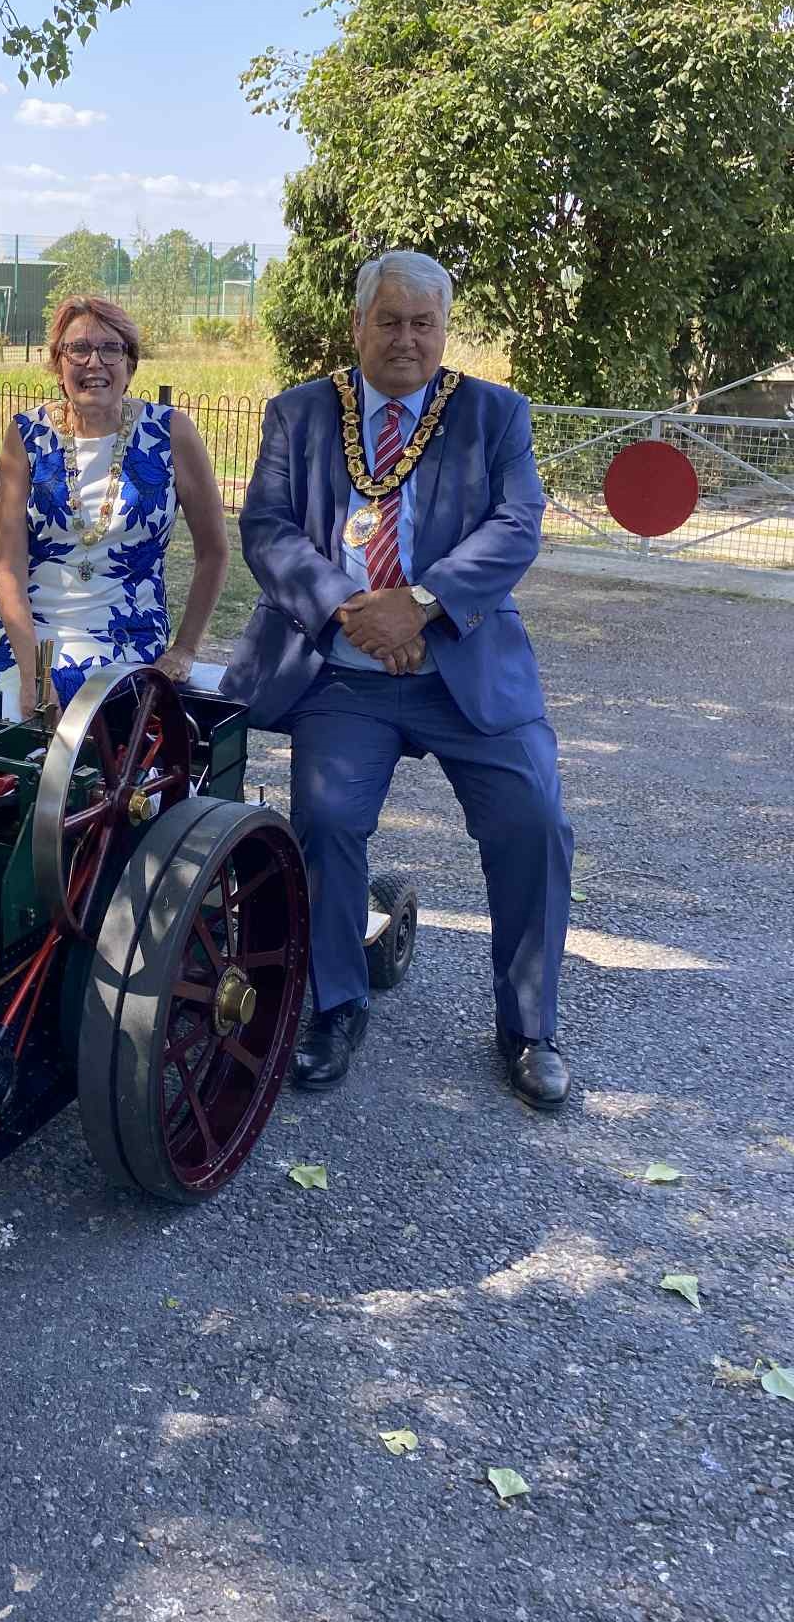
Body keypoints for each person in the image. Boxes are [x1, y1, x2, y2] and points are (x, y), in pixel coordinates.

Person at [221, 250, 573, 1109]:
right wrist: (353, 610)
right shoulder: (300, 413)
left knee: (534, 820)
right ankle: (336, 1006)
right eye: (390, 321)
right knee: (327, 822)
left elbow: (517, 524)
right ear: (357, 324)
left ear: (444, 329)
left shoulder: (495, 414)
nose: (407, 339)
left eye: (424, 323)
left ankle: (528, 1028)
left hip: (463, 667)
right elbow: (266, 527)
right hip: (345, 672)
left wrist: (417, 606)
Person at [0, 295, 229, 721]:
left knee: (67, 730)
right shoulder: (27, 435)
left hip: (122, 630)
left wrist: (185, 648)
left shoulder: (170, 433)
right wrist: (34, 675)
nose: (94, 362)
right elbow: (7, 565)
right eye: (78, 349)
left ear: (130, 364)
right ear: (58, 365)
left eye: (111, 348)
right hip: (22, 629)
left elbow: (214, 552)